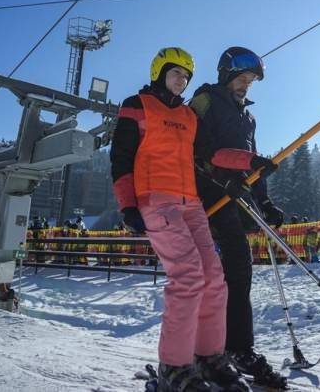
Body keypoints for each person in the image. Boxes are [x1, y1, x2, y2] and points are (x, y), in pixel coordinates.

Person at [110, 47, 254, 391]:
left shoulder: (188, 116)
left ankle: (208, 357)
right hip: (156, 200)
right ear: (160, 71)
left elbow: (210, 154)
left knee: (214, 279)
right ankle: (174, 366)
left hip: (190, 204)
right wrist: (127, 205)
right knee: (188, 277)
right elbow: (121, 157)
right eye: (176, 72)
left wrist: (252, 160)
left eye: (187, 75)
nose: (182, 79)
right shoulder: (137, 104)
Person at [189, 47, 287, 389]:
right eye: (242, 78)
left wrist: (265, 201)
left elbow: (249, 167)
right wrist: (239, 166)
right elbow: (199, 152)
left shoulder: (248, 117)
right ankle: (208, 349)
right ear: (226, 75)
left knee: (238, 273)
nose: (246, 85)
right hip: (204, 197)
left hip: (233, 198)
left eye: (251, 80)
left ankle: (237, 348)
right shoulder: (205, 102)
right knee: (213, 276)